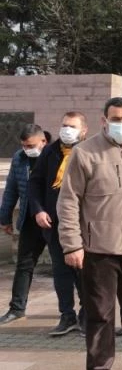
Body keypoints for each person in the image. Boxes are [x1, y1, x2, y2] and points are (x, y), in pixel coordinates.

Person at [57, 97, 122, 370]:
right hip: (99, 249)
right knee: (101, 315)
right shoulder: (85, 152)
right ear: (104, 120)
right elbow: (68, 201)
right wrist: (72, 245)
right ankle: (100, 365)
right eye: (116, 119)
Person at [28, 113, 88, 336]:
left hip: (81, 225)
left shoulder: (89, 151)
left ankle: (87, 315)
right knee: (61, 271)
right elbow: (34, 183)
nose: (66, 130)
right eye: (64, 125)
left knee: (83, 272)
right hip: (53, 223)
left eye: (72, 126)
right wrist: (38, 210)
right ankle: (67, 315)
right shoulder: (50, 152)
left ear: (84, 130)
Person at [0, 125, 48, 326]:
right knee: (24, 265)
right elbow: (11, 189)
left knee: (71, 269)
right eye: (24, 145)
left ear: (43, 141)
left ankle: (83, 314)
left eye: (31, 145)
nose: (27, 149)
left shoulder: (55, 156)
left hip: (55, 220)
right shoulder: (20, 158)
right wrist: (5, 219)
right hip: (29, 220)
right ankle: (17, 308)